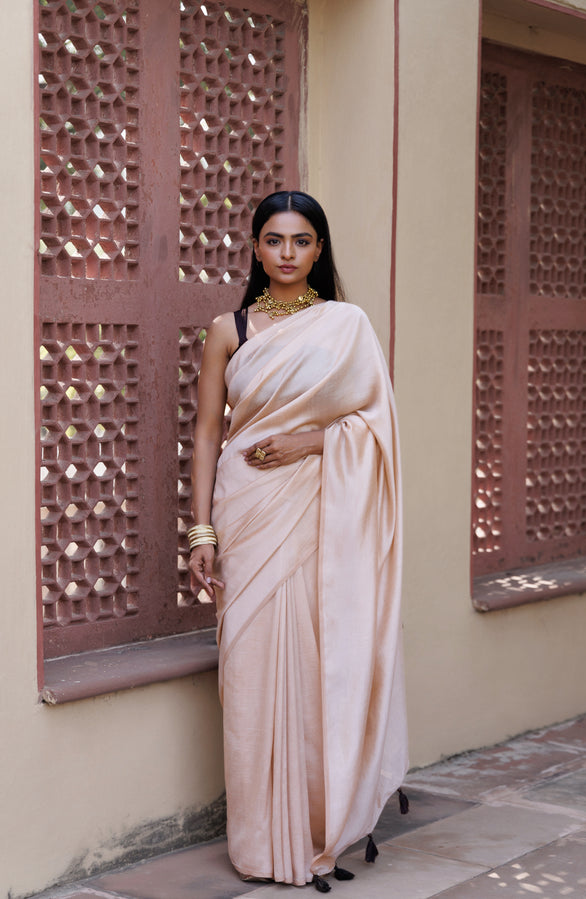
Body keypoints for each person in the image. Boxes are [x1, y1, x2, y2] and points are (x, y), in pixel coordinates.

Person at [188, 190, 408, 892]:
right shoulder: (229, 329)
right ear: (254, 247)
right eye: (275, 240)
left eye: (302, 240)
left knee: (319, 664)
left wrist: (312, 440)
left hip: (319, 510)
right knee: (250, 674)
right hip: (248, 514)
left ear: (319, 249)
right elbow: (205, 433)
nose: (287, 253)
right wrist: (201, 529)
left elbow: (377, 427)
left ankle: (317, 827)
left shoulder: (345, 325)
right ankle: (259, 840)